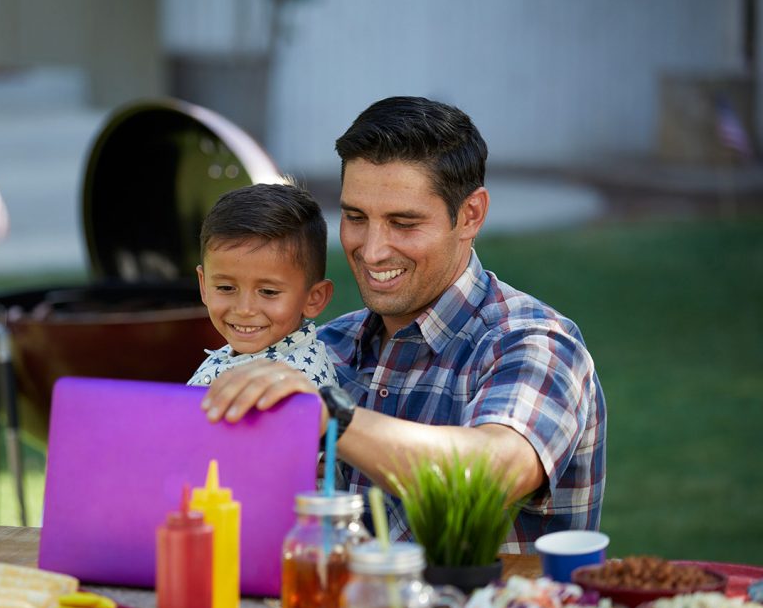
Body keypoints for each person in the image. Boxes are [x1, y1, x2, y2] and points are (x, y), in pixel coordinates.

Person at [200, 97, 606, 553]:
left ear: (470, 215)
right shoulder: (324, 348)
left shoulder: (534, 343)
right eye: (355, 217)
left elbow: (490, 475)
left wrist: (332, 415)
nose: (372, 250)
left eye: (403, 222)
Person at [188, 183, 337, 389]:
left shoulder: (294, 384)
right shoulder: (230, 355)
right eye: (225, 288)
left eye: (268, 292)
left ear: (314, 298)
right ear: (204, 286)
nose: (244, 309)